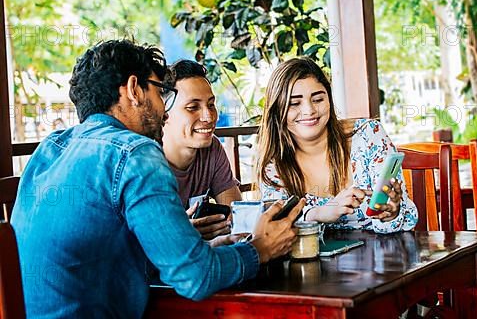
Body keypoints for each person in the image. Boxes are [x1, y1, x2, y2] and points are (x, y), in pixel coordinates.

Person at [11, 40, 304, 318]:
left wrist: (192, 250)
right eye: (161, 92)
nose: (164, 107)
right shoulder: (136, 153)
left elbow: (93, 255)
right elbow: (197, 279)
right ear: (134, 89)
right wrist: (260, 249)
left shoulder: (48, 149)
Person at [256, 57, 417, 233]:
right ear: (276, 109)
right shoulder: (274, 168)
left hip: (380, 255)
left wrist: (391, 214)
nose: (309, 110)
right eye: (294, 103)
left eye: (317, 99)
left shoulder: (368, 135)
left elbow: (404, 219)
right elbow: (275, 228)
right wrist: (318, 213)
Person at [162, 59, 240, 240]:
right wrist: (181, 235)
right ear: (164, 113)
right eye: (192, 107)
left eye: (211, 104)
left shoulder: (212, 148)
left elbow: (235, 214)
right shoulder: (144, 159)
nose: (209, 117)